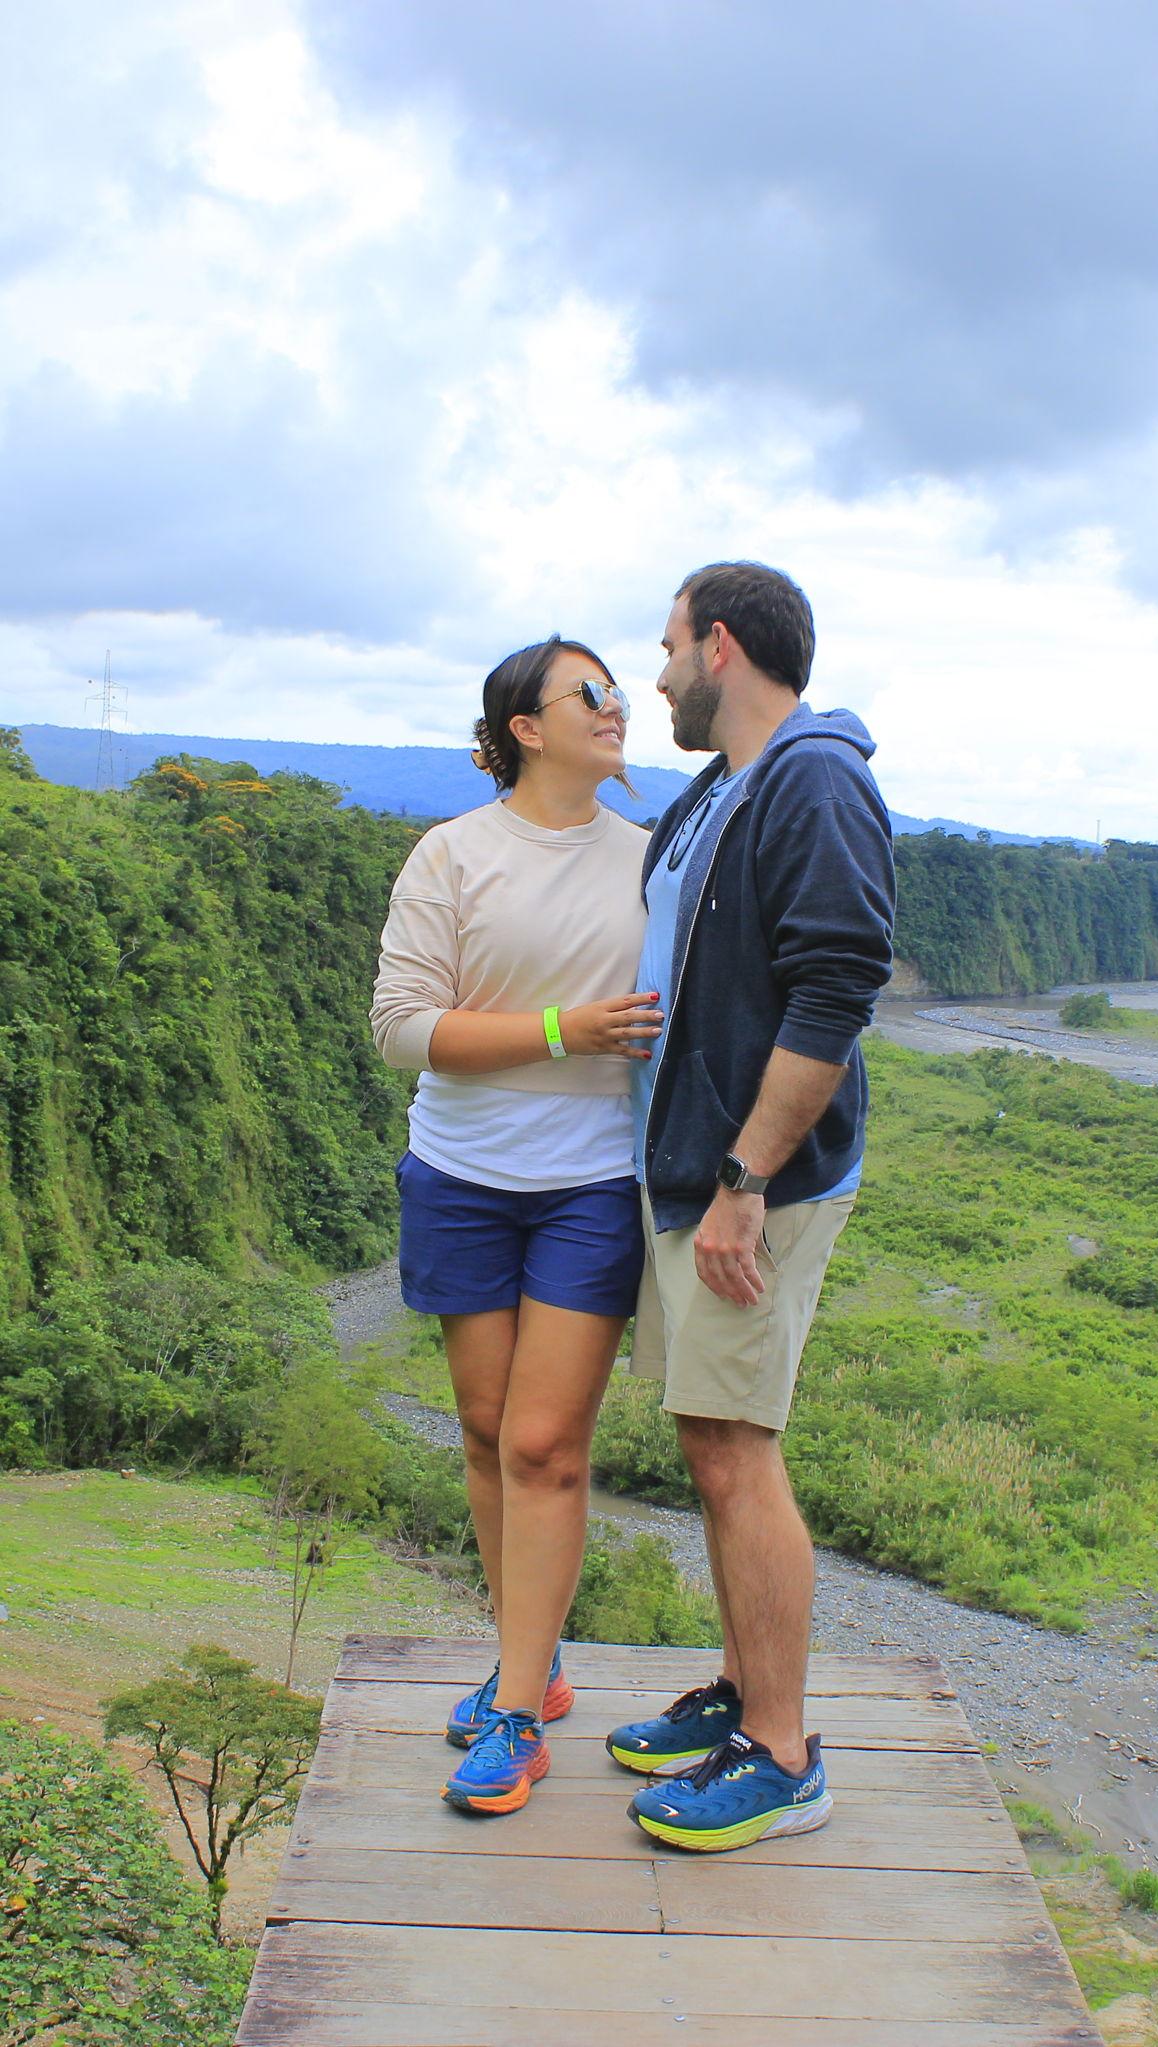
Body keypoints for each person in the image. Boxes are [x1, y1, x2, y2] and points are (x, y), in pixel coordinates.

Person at [604, 561, 895, 1854]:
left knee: (737, 1444)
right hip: (692, 1165)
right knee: (710, 1439)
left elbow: (835, 991)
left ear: (721, 645)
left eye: (668, 646)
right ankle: (743, 1686)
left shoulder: (815, 776)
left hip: (746, 1181)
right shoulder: (724, 787)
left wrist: (743, 1180)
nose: (657, 672)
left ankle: (782, 1752)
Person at [369, 636, 659, 1816]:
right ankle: (528, 1670)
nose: (614, 708)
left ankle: (513, 1710)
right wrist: (560, 1030)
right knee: (486, 1435)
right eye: (587, 694)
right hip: (460, 1173)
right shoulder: (452, 856)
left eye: (619, 692)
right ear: (524, 728)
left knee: (544, 1444)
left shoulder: (652, 860)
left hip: (590, 1182)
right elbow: (402, 1025)